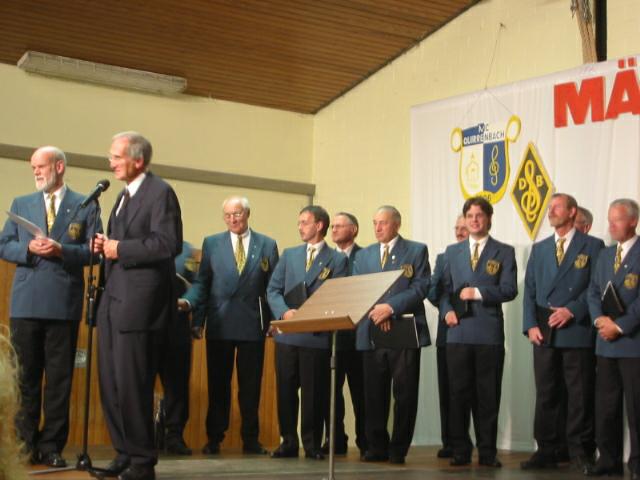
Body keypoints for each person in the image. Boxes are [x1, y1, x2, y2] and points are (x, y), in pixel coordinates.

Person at [0, 146, 101, 468]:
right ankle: (25, 445)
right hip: (26, 303)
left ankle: (51, 446)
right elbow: (3, 245)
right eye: (33, 167)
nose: (36, 172)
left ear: (59, 167)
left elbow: (96, 252)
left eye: (40, 166)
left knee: (59, 381)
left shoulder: (85, 204)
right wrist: (28, 247)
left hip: (63, 302)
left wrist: (62, 251)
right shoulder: (21, 203)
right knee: (25, 379)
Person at [93, 131, 183, 480]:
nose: (111, 162)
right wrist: (104, 244)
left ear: (138, 160)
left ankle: (143, 462)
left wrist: (119, 248)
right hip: (113, 298)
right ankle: (124, 452)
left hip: (140, 304)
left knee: (133, 384)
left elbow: (167, 243)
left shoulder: (160, 192)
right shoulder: (122, 195)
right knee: (111, 382)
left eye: (117, 156)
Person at [179, 196, 278, 455]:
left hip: (253, 324)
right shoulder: (212, 243)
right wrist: (198, 321)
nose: (233, 219)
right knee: (218, 385)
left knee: (251, 387)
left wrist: (273, 320)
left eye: (237, 213)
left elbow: (273, 287)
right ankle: (214, 438)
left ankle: (251, 439)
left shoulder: (267, 244)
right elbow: (203, 283)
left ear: (247, 213)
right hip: (220, 323)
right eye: (228, 215)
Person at [521, 193, 604, 472]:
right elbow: (529, 290)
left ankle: (580, 450)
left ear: (572, 212)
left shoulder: (592, 246)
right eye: (550, 207)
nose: (551, 211)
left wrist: (572, 310)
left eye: (556, 207)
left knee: (579, 394)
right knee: (546, 392)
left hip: (576, 329)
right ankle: (546, 449)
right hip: (544, 331)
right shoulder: (540, 248)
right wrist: (530, 324)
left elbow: (595, 288)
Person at [439, 196, 517, 468]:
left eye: (479, 215)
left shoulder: (503, 251)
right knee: (457, 395)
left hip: (488, 334)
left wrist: (479, 293)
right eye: (470, 215)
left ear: (489, 219)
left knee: (488, 396)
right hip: (457, 333)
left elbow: (509, 289)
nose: (474, 220)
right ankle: (460, 450)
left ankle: (487, 452)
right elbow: (442, 290)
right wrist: (446, 310)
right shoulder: (452, 252)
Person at [267, 205, 348, 460]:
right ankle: (288, 442)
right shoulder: (289, 255)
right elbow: (273, 289)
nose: (300, 227)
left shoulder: (337, 260)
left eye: (304, 222)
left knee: (314, 394)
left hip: (316, 335)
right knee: (286, 390)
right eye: (299, 222)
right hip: (288, 333)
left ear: (319, 225)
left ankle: (311, 444)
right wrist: (284, 312)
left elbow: (337, 295)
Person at [353, 205, 431, 465]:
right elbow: (358, 288)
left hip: (403, 330)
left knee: (405, 393)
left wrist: (391, 308)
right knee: (374, 393)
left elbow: (421, 287)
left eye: (383, 223)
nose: (377, 228)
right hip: (372, 329)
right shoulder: (363, 255)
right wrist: (379, 311)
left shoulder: (416, 251)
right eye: (375, 223)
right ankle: (377, 447)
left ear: (396, 224)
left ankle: (398, 449)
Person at [586, 199, 640, 480]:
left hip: (633, 344)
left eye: (616, 220)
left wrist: (619, 326)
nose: (611, 226)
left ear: (633, 221)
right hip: (605, 344)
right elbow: (593, 292)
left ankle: (637, 462)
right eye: (609, 220)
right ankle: (608, 459)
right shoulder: (605, 255)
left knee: (636, 408)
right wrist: (600, 321)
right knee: (606, 406)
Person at [321, 212, 365, 457]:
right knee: (331, 393)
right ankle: (335, 440)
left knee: (361, 392)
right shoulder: (325, 258)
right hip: (332, 337)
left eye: (339, 226)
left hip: (358, 336)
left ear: (354, 229)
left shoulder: (366, 256)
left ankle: (365, 440)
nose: (334, 230)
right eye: (333, 226)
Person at [426, 214, 468, 459]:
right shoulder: (444, 258)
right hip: (448, 333)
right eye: (457, 228)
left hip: (477, 334)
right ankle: (450, 442)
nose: (459, 232)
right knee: (449, 391)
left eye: (464, 228)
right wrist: (447, 308)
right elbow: (433, 291)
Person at [156, 241, 197, 456]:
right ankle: (140, 437)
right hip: (145, 323)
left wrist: (187, 301)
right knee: (139, 382)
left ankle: (174, 435)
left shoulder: (185, 250)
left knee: (177, 383)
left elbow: (197, 284)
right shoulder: (137, 244)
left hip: (176, 323)